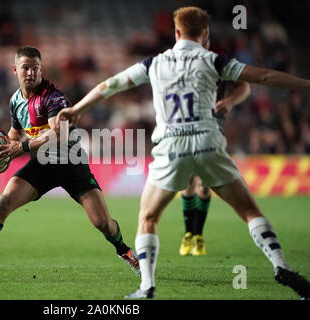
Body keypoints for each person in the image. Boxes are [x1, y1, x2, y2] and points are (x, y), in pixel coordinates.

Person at [56, 7, 310, 299]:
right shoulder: (214, 60)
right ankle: (280, 265)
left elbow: (109, 85)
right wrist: (305, 84)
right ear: (205, 35)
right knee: (249, 211)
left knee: (148, 218)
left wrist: (77, 109)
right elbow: (262, 77)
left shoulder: (154, 63)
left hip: (171, 148)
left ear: (176, 32)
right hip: (208, 142)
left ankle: (147, 286)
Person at [0, 46, 140, 282]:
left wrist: (22, 148)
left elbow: (58, 134)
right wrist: (7, 150)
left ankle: (125, 251)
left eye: (35, 68)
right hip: (42, 165)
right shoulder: (16, 100)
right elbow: (15, 133)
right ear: (15, 70)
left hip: (70, 164)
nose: (31, 73)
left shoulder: (53, 97)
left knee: (102, 223)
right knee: (3, 203)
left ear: (41, 69)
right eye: (25, 68)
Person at [180, 79, 251, 256]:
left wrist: (230, 100)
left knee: (204, 185)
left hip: (211, 128)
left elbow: (244, 85)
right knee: (188, 182)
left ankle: (198, 235)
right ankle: (188, 234)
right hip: (184, 126)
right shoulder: (181, 64)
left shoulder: (217, 62)